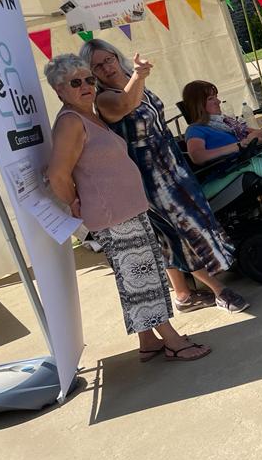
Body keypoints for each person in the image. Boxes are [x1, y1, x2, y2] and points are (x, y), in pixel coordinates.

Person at [44, 54, 211, 362]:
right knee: (142, 281)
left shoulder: (89, 114)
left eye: (89, 79)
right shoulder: (70, 122)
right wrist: (73, 201)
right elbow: (57, 174)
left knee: (142, 276)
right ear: (59, 90)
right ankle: (171, 340)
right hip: (114, 216)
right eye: (75, 82)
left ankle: (148, 341)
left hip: (127, 210)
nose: (86, 86)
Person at [81, 39, 247, 314]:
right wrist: (139, 75)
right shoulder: (105, 98)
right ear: (91, 72)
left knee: (168, 232)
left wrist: (137, 76)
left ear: (115, 56)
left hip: (171, 161)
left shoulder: (132, 79)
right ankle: (218, 289)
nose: (106, 67)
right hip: (148, 173)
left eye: (108, 59)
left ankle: (183, 294)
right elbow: (126, 103)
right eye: (97, 66)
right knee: (180, 228)